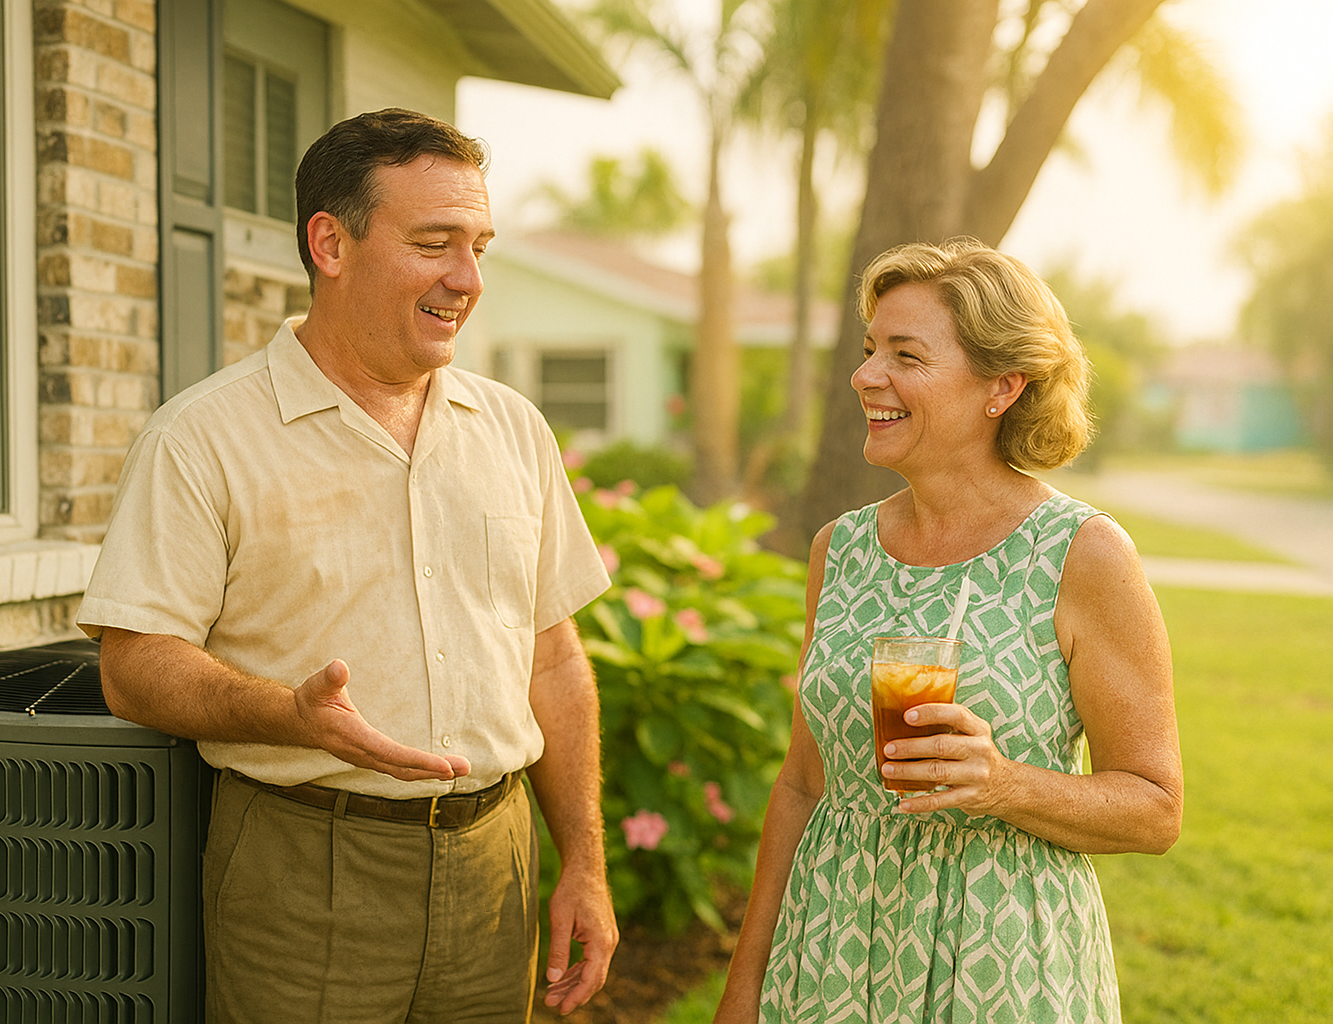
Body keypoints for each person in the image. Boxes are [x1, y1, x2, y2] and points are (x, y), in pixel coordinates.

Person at [77, 108, 617, 1022]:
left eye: (479, 244)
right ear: (331, 242)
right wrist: (290, 716)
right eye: (434, 243)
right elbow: (134, 668)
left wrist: (587, 866)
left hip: (497, 868)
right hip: (303, 868)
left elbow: (553, 658)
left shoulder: (515, 429)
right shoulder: (201, 438)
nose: (468, 278)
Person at [715, 239, 1183, 1023]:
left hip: (1000, 958)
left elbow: (1155, 808)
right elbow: (804, 783)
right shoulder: (841, 548)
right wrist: (745, 980)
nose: (866, 376)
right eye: (869, 351)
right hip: (828, 945)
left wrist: (1003, 783)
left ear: (1002, 385)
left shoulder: (1084, 554)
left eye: (906, 355)